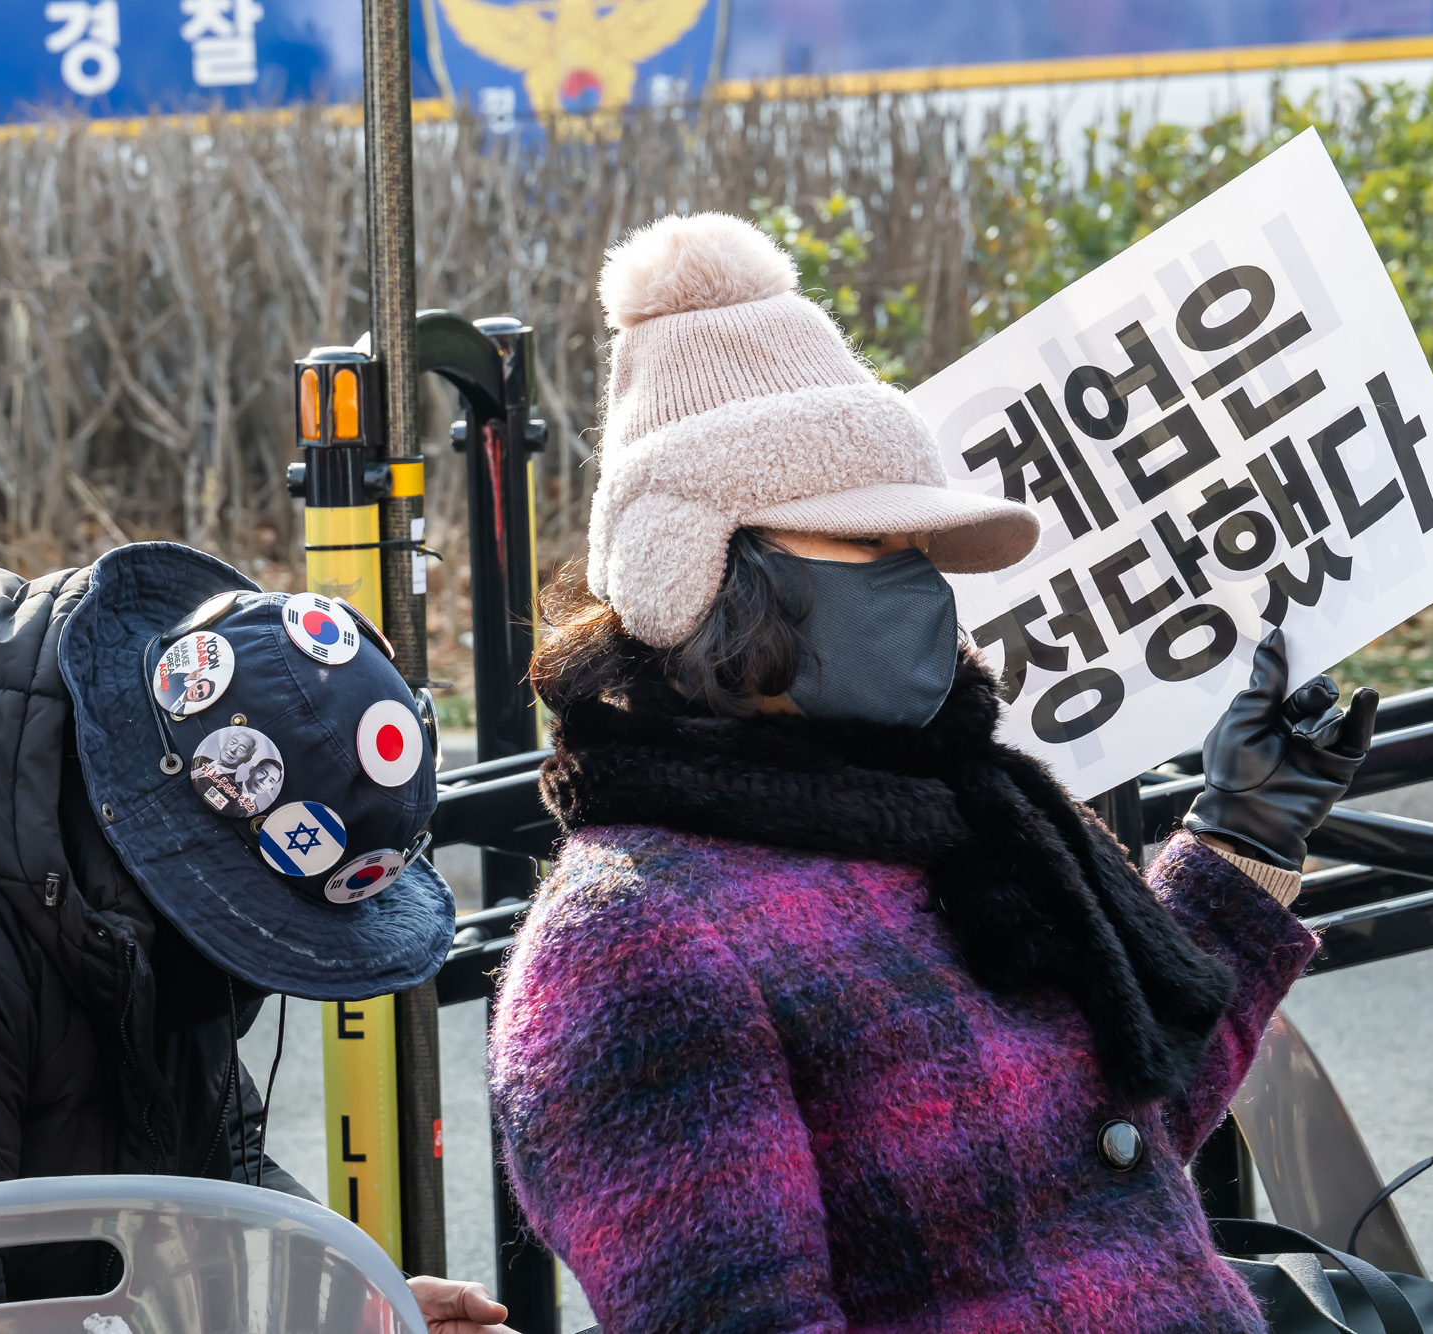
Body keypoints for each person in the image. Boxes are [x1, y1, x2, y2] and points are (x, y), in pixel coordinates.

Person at [489, 213, 1379, 1333]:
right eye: (870, 546)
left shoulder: (960, 822)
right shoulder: (633, 936)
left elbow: (1113, 1148)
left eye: (920, 552)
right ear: (696, 570)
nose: (916, 591)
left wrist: (1244, 836)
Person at [0, 542, 507, 1330]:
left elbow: (206, 1187)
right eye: (260, 928)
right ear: (173, 849)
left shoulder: (120, 911)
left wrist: (346, 1304)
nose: (261, 964)